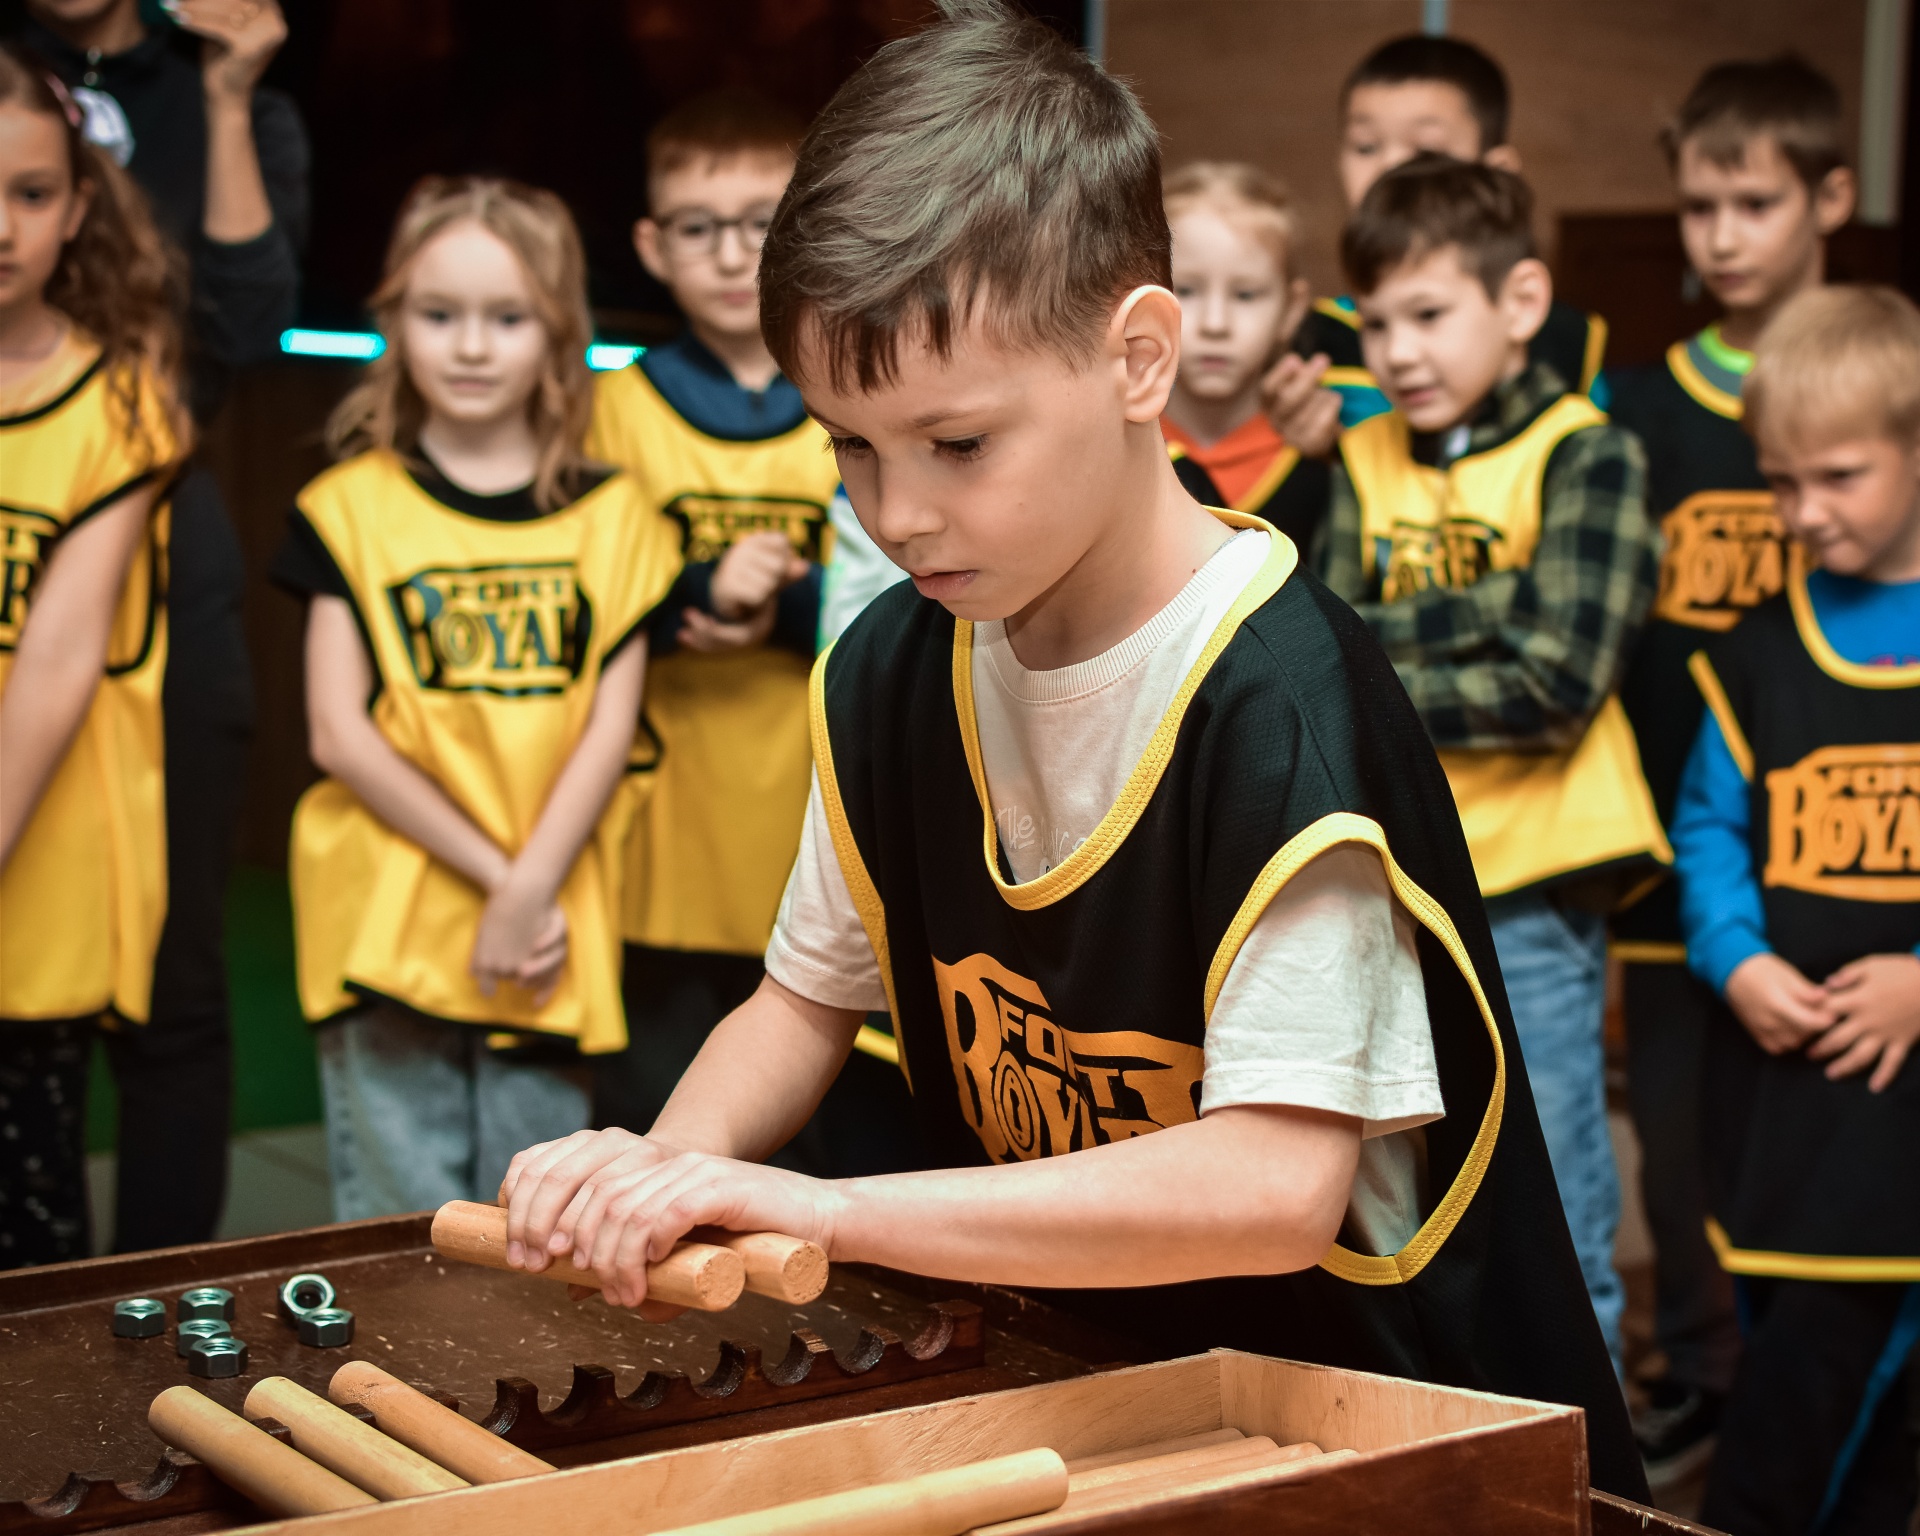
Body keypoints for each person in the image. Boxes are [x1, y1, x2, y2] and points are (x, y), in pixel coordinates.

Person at [496, 3, 1646, 1501]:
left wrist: (819, 1207)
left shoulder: (1278, 698)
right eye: (849, 445)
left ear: (1140, 358)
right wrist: (666, 1172)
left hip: (1394, 1444)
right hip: (1106, 1413)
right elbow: (802, 1001)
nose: (891, 513)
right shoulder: (892, 668)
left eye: (956, 445)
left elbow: (1272, 1188)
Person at [1318, 154, 1667, 1375]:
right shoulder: (1358, 463)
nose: (1398, 352)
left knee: (1561, 1214)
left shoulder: (1591, 452)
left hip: (1533, 894)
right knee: (1401, 1206)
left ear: (1520, 302)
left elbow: (1556, 682)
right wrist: (1491, 606)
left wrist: (1391, 651)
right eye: (1376, 323)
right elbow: (1331, 651)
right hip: (1391, 883)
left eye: (1430, 315)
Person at [271, 179, 680, 1218]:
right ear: (395, 323)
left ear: (557, 334)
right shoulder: (348, 507)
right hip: (393, 908)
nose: (470, 345)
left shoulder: (618, 516)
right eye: (438, 314)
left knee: (537, 1229)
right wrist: (502, 881)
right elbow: (337, 734)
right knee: (401, 1234)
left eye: (507, 319)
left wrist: (530, 892)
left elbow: (609, 724)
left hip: (546, 928)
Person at [19, 0, 310, 1252]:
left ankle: (156, 1309)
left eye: (32, 192)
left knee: (174, 979)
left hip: (145, 518)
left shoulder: (218, 81)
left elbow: (241, 332)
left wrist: (235, 94)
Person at [1604, 54, 1855, 1482]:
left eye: (1753, 201)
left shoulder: (1885, 392)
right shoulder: (1641, 405)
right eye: (1698, 203)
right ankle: (1706, 1370)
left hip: (1833, 836)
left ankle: (1830, 1370)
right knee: (1685, 1133)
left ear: (1834, 194)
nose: (1721, 234)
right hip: (1666, 826)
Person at [1672, 284, 1920, 1536]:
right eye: (1781, 482)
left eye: (1839, 476)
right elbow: (1709, 825)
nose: (1803, 513)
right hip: (1778, 1094)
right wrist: (1733, 956)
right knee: (1797, 1365)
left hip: (1902, 1124)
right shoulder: (1758, 653)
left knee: (1832, 1407)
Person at [583, 91, 852, 1147]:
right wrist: (697, 594)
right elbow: (584, 604)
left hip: (811, 810)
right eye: (700, 228)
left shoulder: (856, 395)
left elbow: (905, 603)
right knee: (656, 1118)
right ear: (653, 246)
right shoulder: (617, 410)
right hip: (665, 828)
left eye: (761, 222)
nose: (733, 253)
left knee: (817, 1134)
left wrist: (781, 608)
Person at [0, 43, 187, 1264]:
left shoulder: (119, 402)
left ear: (76, 210)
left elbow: (58, 666)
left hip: (37, 867)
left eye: (27, 192)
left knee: (23, 1234)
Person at [1268, 34, 1608, 459]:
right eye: (1366, 147)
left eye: (1426, 150)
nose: (1389, 170)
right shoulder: (1310, 339)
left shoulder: (1569, 340)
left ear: (1497, 172)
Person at [1158, 161, 1329, 551]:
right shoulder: (1117, 451)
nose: (1216, 324)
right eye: (1185, 289)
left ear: (1291, 310)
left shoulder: (1323, 460)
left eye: (1246, 294)